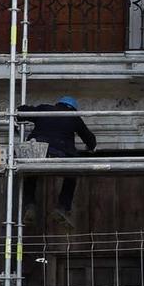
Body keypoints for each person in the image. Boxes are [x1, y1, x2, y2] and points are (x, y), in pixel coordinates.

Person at [15, 95, 96, 227]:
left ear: (57, 104)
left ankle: (29, 205)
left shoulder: (45, 109)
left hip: (39, 150)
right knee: (72, 174)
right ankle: (62, 207)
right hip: (61, 153)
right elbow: (90, 139)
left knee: (30, 173)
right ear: (74, 109)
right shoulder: (74, 118)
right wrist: (91, 147)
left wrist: (17, 117)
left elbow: (21, 111)